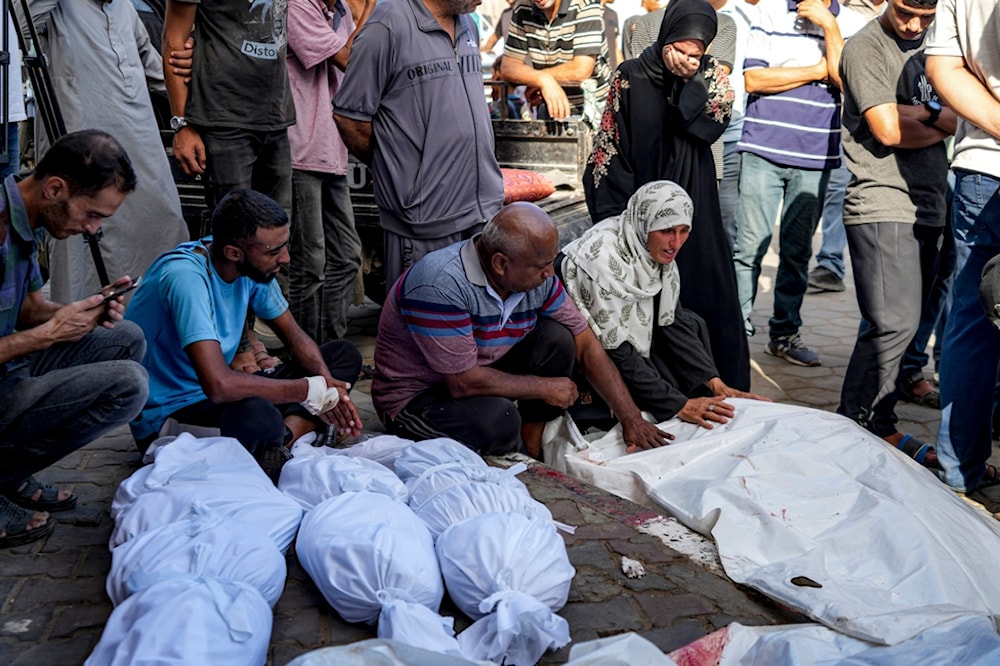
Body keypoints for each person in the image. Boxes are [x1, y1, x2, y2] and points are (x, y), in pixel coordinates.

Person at [371, 202, 674, 458]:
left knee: (558, 340)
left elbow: (585, 342)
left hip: (474, 372)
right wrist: (544, 388)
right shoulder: (440, 284)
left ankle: (531, 446)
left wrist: (631, 418)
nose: (549, 273)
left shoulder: (536, 280)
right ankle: (519, 464)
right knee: (498, 421)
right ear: (501, 264)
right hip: (418, 398)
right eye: (541, 266)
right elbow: (462, 383)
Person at [583, 0, 750, 392]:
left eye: (698, 52)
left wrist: (687, 87)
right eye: (683, 48)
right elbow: (610, 146)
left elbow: (711, 126)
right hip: (639, 198)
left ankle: (714, 383)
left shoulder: (711, 77)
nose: (690, 58)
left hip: (694, 204)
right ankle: (656, 392)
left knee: (703, 286)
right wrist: (616, 216)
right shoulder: (630, 76)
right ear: (666, 38)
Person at [125, 190, 363, 465]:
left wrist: (327, 388)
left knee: (341, 355)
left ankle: (285, 440)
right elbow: (218, 385)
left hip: (222, 394)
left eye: (284, 245)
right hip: (170, 413)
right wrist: (307, 391)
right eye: (274, 251)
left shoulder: (251, 269)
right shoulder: (186, 277)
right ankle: (291, 435)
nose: (285, 258)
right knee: (259, 417)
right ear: (233, 252)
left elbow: (294, 336)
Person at [0, 130, 148, 548]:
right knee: (128, 384)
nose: (92, 229)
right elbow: (37, 331)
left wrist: (78, 311)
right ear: (55, 188)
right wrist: (47, 336)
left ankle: (8, 474)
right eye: (92, 214)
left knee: (125, 338)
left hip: (10, 369)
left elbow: (28, 308)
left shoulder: (27, 216)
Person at [836, 0, 952, 466]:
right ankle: (860, 423)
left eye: (925, 16)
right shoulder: (867, 46)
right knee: (893, 323)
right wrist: (933, 115)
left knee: (901, 325)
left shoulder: (938, 43)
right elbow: (885, 129)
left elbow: (956, 118)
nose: (915, 25)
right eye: (906, 12)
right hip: (881, 200)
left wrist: (917, 113)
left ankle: (871, 419)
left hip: (929, 202)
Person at [562, 181, 767, 427]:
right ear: (646, 223)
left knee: (692, 324)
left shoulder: (647, 247)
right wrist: (677, 404)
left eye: (684, 230)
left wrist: (714, 382)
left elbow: (672, 320)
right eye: (667, 231)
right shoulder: (600, 260)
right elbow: (616, 347)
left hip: (624, 343)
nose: (676, 243)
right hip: (587, 347)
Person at [23, 0, 189, 302]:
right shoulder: (58, 7)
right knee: (79, 239)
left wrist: (190, 76)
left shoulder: (124, 8)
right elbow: (21, 28)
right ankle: (81, 332)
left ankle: (157, 315)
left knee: (165, 220)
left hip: (139, 143)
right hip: (80, 147)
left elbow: (154, 68)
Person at [333, 0, 504, 293]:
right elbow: (350, 118)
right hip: (425, 219)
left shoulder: (468, 25)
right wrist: (401, 172)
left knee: (473, 326)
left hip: (480, 213)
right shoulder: (385, 27)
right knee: (425, 326)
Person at [731, 0, 865, 367]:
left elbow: (844, 81)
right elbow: (754, 79)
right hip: (762, 149)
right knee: (747, 249)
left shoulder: (849, 22)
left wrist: (828, 27)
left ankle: (784, 334)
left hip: (815, 155)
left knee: (797, 251)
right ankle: (736, 332)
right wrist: (817, 69)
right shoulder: (770, 12)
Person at [925, 0, 1000, 492]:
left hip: (982, 161)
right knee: (972, 320)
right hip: (982, 168)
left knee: (972, 322)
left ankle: (959, 473)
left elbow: (943, 68)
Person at [286, 0, 373, 343]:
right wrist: (370, 9)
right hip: (301, 151)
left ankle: (331, 349)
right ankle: (307, 356)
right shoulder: (298, 6)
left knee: (347, 257)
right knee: (310, 264)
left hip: (331, 151)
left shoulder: (337, 12)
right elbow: (350, 59)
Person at [162, 0, 294, 216]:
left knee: (277, 227)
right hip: (223, 121)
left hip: (275, 116)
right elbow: (173, 43)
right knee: (234, 227)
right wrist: (182, 123)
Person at [808, 0, 886, 294]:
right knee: (836, 193)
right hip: (848, 123)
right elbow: (843, 74)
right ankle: (830, 264)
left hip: (894, 122)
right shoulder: (848, 13)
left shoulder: (905, 12)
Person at [500, 0, 612, 123]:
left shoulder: (586, 5)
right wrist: (543, 80)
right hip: (549, 107)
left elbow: (581, 70)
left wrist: (539, 79)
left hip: (592, 111)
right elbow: (508, 67)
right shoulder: (522, 8)